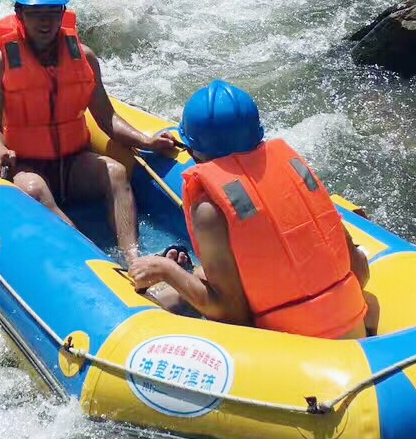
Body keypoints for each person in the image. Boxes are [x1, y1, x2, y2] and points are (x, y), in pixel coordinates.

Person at [129, 81, 379, 339]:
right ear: (258, 134)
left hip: (292, 346)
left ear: (191, 150)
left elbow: (231, 315)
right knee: (200, 274)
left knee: (175, 290)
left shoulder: (208, 209)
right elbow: (359, 269)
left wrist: (165, 270)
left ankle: (168, 279)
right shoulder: (295, 172)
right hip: (352, 321)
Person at [0, 0, 178, 262]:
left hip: (74, 164)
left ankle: (135, 258)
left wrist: (147, 141)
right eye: (36, 13)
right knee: (33, 190)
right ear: (20, 13)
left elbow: (106, 117)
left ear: (63, 13)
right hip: (28, 165)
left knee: (115, 171)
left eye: (52, 12)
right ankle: (98, 262)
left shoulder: (84, 58)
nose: (45, 22)